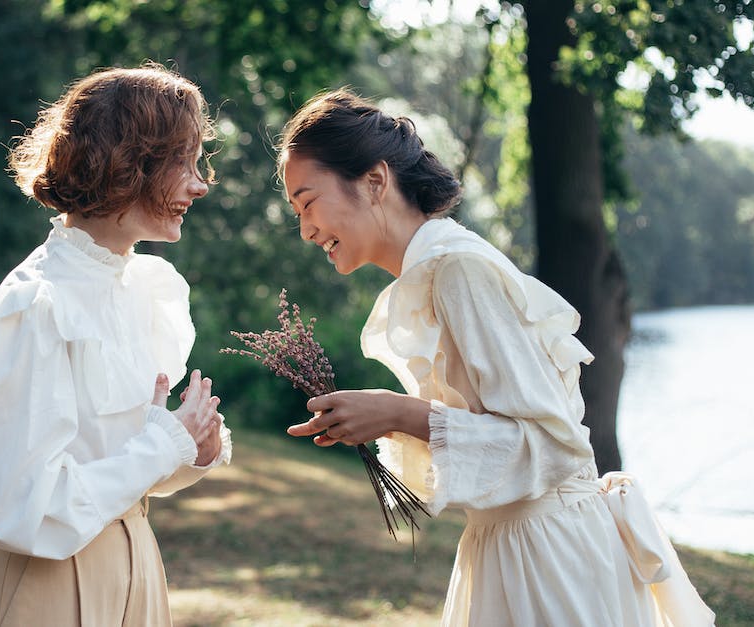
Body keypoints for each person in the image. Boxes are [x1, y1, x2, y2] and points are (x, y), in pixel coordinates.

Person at [279, 88, 714, 626]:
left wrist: (397, 413)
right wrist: (390, 420)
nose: (305, 229)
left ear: (373, 181)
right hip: (511, 548)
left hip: (552, 563)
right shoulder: (436, 272)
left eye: (307, 202)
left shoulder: (459, 270)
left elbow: (554, 445)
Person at [0, 65, 232, 627]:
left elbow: (123, 469)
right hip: (49, 593)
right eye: (184, 163)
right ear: (129, 164)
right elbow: (24, 508)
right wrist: (164, 443)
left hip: (138, 573)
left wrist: (194, 448)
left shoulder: (143, 290)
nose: (201, 184)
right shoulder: (31, 310)